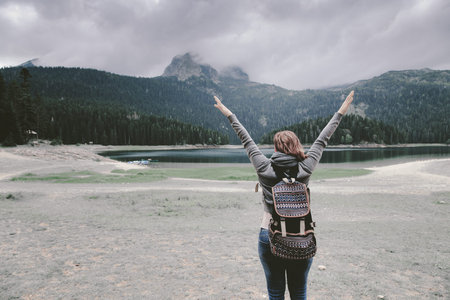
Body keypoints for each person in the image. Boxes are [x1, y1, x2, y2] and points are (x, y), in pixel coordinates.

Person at [213, 91, 355, 300]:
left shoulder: (264, 167)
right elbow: (323, 139)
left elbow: (246, 138)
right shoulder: (305, 168)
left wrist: (228, 114)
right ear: (296, 145)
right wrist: (340, 112)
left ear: (276, 147)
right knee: (299, 293)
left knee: (275, 293)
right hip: (301, 235)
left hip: (269, 234)